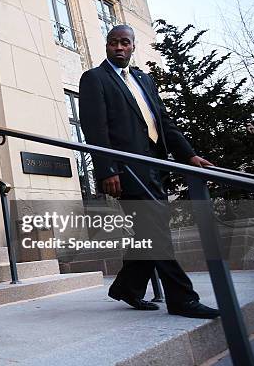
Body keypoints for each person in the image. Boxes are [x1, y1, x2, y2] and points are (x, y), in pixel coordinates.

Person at [79, 24, 219, 319]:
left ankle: (127, 287)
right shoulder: (94, 79)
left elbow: (164, 123)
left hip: (156, 165)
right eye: (114, 42)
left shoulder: (144, 79)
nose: (119, 47)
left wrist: (189, 155)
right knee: (155, 230)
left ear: (133, 46)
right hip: (127, 169)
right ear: (106, 45)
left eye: (125, 43)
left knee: (149, 229)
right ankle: (182, 299)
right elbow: (95, 128)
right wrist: (106, 170)